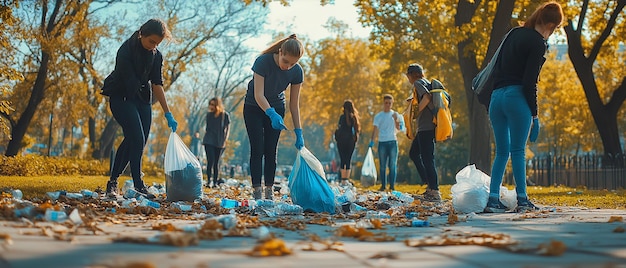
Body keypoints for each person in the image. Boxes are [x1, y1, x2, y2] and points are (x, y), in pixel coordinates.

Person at [484, 1, 563, 213]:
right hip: (516, 97)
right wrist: (535, 116)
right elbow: (530, 83)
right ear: (551, 25)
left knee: (501, 152)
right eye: (554, 29)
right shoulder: (538, 43)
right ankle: (523, 200)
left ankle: (492, 200)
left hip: (496, 98)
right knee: (518, 150)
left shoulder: (514, 33)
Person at [102, 19, 178, 199]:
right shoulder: (126, 50)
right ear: (141, 34)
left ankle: (112, 182)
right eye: (151, 41)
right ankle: (138, 185)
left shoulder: (156, 56)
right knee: (136, 137)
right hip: (122, 96)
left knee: (137, 141)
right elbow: (129, 81)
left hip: (142, 99)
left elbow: (157, 84)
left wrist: (168, 113)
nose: (153, 46)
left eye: (157, 44)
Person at [243, 34, 305, 200]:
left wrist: (299, 131)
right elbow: (258, 94)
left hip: (277, 106)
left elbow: (294, 104)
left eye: (293, 63)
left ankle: (269, 191)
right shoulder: (262, 62)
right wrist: (270, 113)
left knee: (271, 150)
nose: (288, 67)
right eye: (286, 61)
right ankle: (257, 190)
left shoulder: (297, 72)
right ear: (280, 52)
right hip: (254, 107)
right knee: (257, 149)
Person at [405, 63, 441, 202]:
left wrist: (416, 111)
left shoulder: (418, 83)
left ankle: (434, 190)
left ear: (412, 74)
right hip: (427, 126)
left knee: (427, 158)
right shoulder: (425, 82)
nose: (408, 78)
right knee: (414, 153)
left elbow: (427, 97)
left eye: (408, 75)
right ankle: (429, 184)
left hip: (425, 127)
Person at [369, 94, 403, 191]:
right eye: (386, 103)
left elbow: (399, 128)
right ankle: (383, 186)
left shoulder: (395, 114)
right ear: (383, 103)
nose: (388, 105)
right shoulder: (379, 116)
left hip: (392, 142)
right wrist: (372, 141)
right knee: (382, 165)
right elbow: (375, 130)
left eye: (389, 103)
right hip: (382, 142)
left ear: (392, 103)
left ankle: (392, 186)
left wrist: (396, 119)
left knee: (392, 165)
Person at [202, 97, 230, 188]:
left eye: (213, 104)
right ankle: (209, 181)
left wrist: (225, 140)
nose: (211, 106)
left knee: (216, 163)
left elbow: (227, 129)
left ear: (217, 105)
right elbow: (207, 128)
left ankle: (215, 182)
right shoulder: (209, 115)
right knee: (210, 161)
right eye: (210, 104)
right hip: (209, 140)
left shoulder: (224, 115)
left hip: (219, 141)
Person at [334, 100, 360, 185]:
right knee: (348, 160)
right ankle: (347, 179)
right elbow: (356, 130)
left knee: (342, 159)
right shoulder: (354, 118)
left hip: (341, 141)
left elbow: (339, 128)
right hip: (350, 142)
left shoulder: (342, 117)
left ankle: (342, 180)